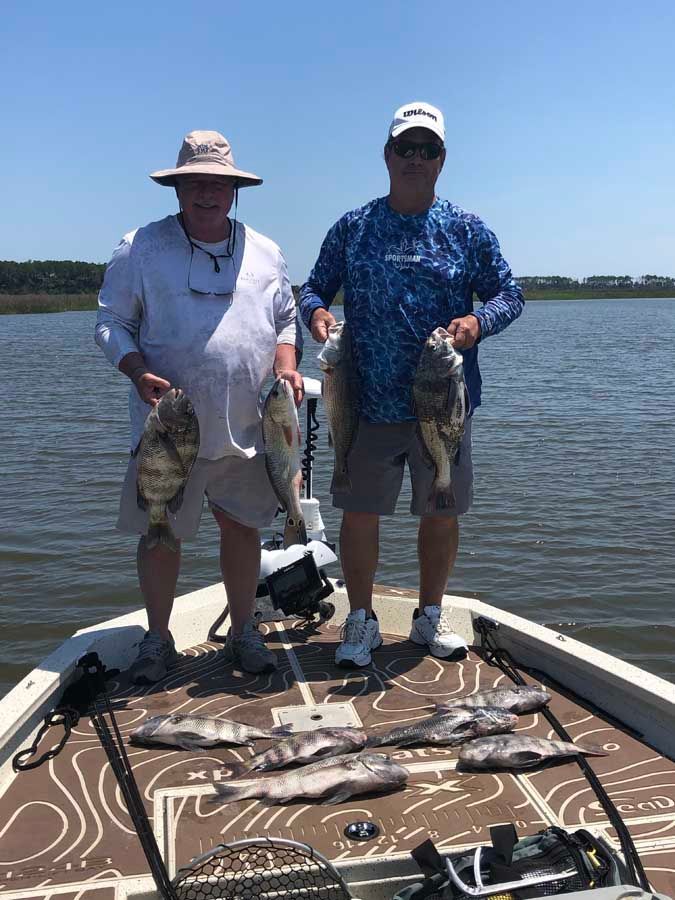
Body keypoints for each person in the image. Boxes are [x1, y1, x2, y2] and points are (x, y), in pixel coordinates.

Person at [299, 102, 524, 668]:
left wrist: (478, 322)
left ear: (442, 160)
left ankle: (429, 615)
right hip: (364, 402)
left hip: (443, 402)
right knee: (360, 513)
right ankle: (361, 618)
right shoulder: (353, 227)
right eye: (406, 147)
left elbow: (510, 295)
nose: (416, 158)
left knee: (441, 512)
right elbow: (312, 290)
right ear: (387, 155)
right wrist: (318, 316)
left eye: (428, 149)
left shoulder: (467, 230)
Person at [95, 130, 303, 683]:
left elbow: (286, 319)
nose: (208, 193)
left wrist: (286, 364)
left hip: (248, 429)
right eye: (196, 184)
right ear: (178, 188)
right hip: (169, 432)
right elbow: (110, 322)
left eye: (219, 183)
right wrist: (137, 370)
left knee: (242, 531)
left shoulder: (266, 250)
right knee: (158, 536)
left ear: (235, 189)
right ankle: (157, 639)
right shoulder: (139, 247)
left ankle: (242, 632)